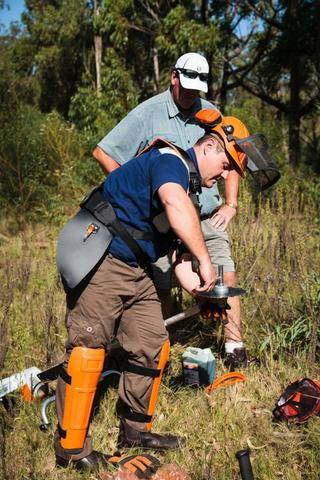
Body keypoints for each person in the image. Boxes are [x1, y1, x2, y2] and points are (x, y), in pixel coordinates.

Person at [54, 112, 250, 473]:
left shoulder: (186, 184)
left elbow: (175, 253)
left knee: (152, 342)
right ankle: (71, 448)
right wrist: (206, 261)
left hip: (136, 267)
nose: (224, 176)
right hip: (102, 255)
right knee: (89, 347)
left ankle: (135, 430)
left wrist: (202, 293)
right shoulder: (169, 161)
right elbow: (176, 208)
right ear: (209, 146)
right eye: (225, 165)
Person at [93, 52, 247, 369]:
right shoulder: (148, 113)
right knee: (160, 284)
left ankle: (234, 347)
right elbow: (103, 152)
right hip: (164, 221)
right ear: (173, 77)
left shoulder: (212, 113)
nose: (191, 95)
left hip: (206, 215)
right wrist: (133, 194)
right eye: (187, 86)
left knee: (223, 274)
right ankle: (158, 349)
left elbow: (234, 160)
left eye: (197, 89)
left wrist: (231, 204)